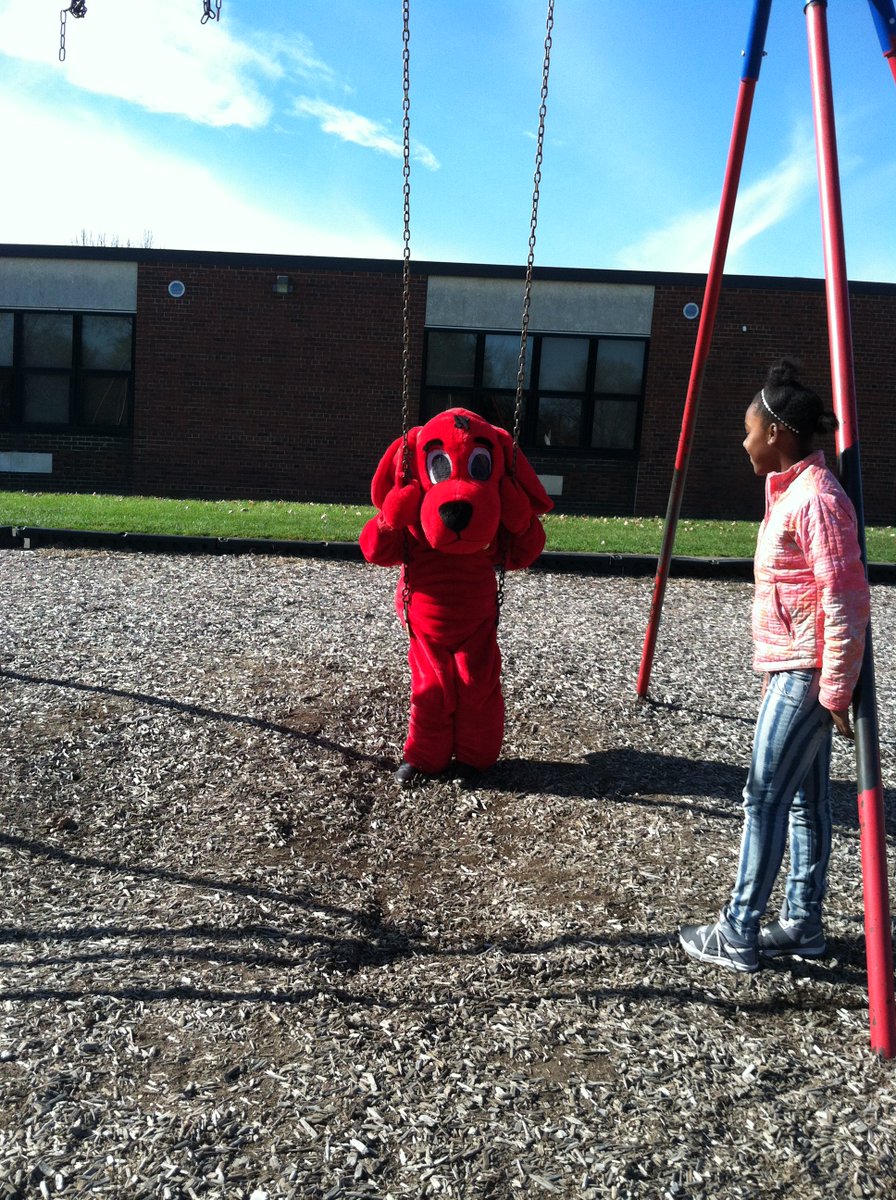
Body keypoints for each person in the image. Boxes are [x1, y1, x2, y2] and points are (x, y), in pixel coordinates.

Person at [679, 359, 871, 972]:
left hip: (808, 672)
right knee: (803, 802)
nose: (744, 441)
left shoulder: (817, 499)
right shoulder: (793, 493)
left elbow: (845, 596)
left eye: (749, 430)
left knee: (762, 796)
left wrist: (835, 692)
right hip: (798, 665)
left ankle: (739, 931)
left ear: (779, 434)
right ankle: (802, 924)